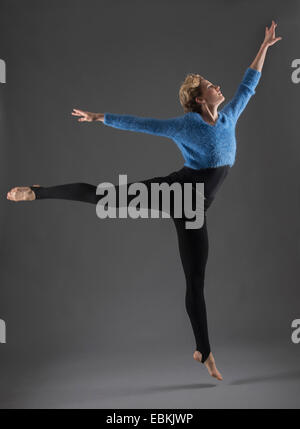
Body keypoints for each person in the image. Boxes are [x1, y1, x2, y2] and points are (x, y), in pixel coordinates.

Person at [7, 21, 282, 381]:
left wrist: (264, 46)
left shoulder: (229, 116)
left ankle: (205, 351)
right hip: (175, 193)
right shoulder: (187, 125)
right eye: (209, 86)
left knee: (195, 281)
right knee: (105, 197)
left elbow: (249, 83)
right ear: (199, 99)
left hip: (195, 209)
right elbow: (144, 124)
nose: (218, 86)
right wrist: (99, 117)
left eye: (214, 84)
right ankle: (38, 191)